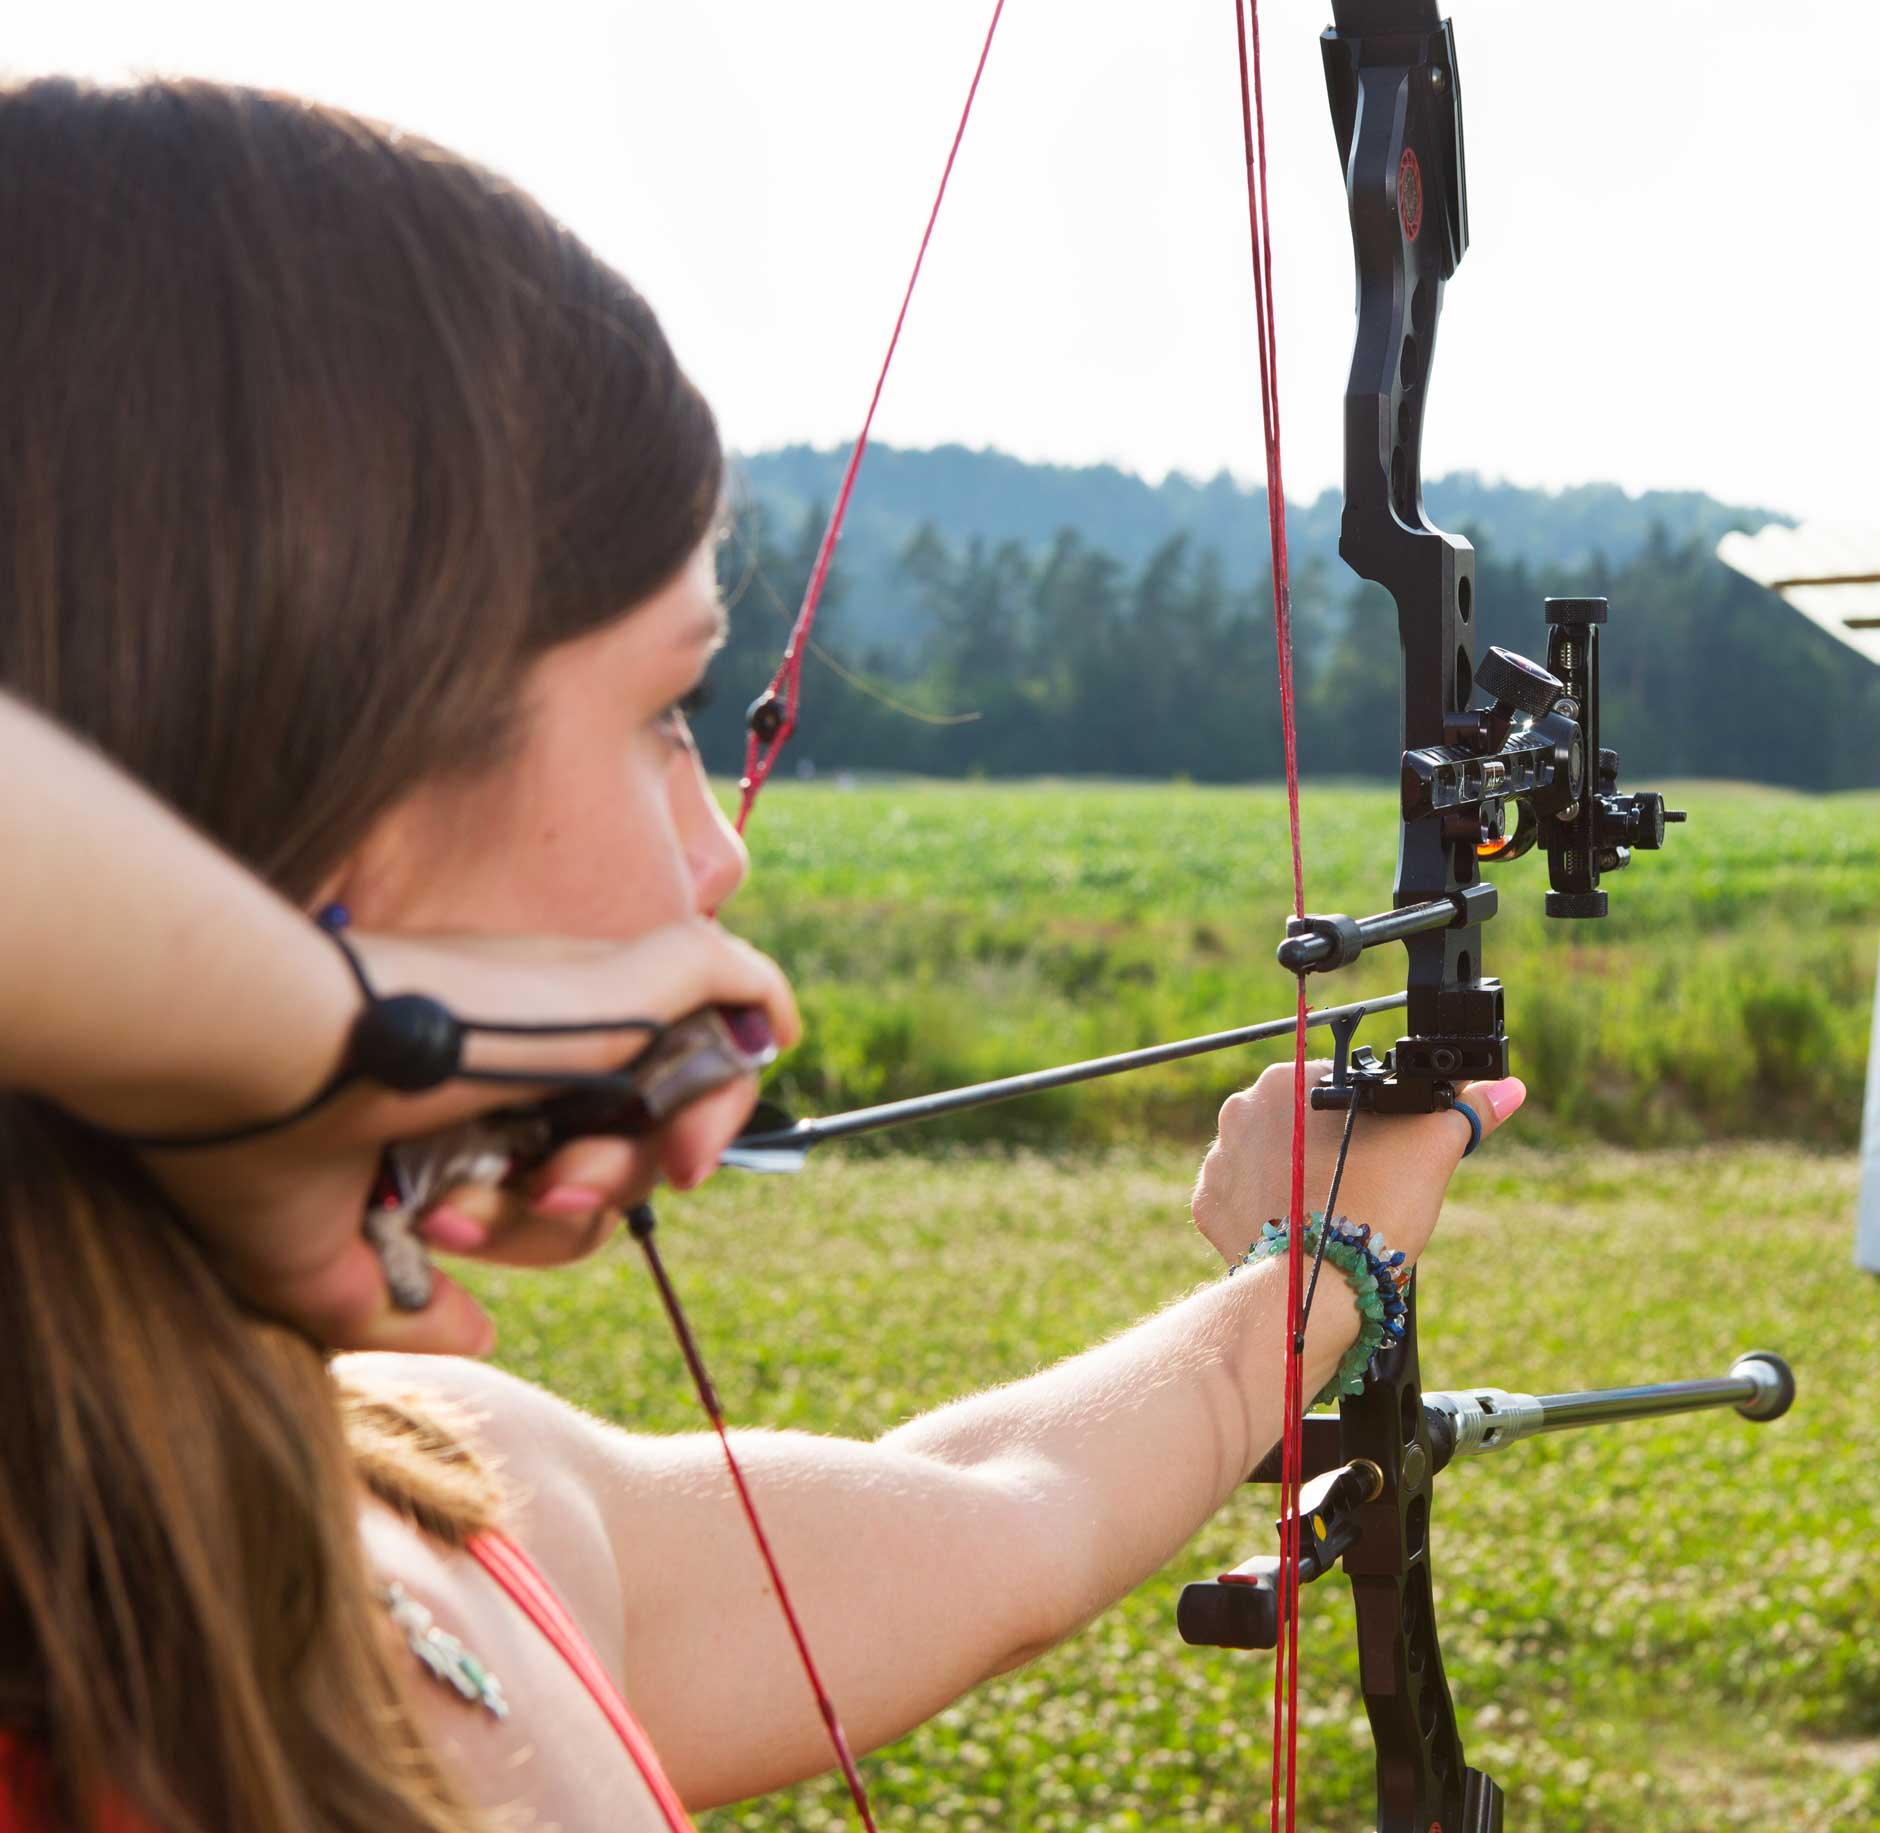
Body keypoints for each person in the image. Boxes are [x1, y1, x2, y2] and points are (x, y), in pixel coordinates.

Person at [0, 76, 1520, 1831]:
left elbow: (1002, 1499)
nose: (715, 840)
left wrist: (1316, 1263)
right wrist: (357, 1034)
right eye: (664, 707)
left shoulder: (431, 1487)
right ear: (317, 740)